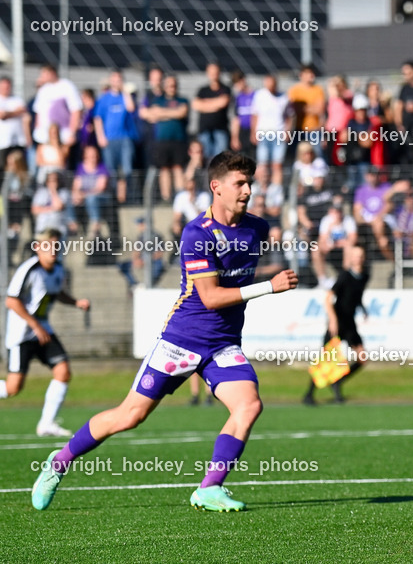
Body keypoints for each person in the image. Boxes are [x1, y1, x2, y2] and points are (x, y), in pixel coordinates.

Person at [30, 151, 299, 512]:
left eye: (250, 182)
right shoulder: (196, 234)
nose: (248, 189)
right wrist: (269, 286)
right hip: (181, 340)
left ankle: (209, 488)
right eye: (240, 183)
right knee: (130, 416)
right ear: (216, 187)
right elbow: (210, 296)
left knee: (249, 405)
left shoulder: (258, 229)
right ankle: (57, 463)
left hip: (222, 345)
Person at [2, 229, 90, 436]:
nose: (53, 250)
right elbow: (11, 300)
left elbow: (56, 293)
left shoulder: (58, 269)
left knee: (63, 371)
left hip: (42, 329)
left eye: (56, 246)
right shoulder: (28, 270)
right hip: (22, 333)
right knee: (13, 388)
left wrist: (76, 302)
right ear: (37, 247)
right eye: (48, 246)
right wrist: (35, 325)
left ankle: (46, 424)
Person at [304, 246, 370, 405]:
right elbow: (328, 298)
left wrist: (363, 308)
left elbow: (356, 296)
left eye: (361, 255)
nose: (358, 259)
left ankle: (337, 382)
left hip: (350, 324)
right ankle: (309, 394)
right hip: (338, 321)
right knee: (326, 359)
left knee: (362, 358)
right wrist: (332, 320)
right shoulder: (344, 276)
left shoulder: (364, 276)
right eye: (355, 256)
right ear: (351, 258)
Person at [93, 69, 138, 203]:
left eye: (119, 80)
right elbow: (98, 119)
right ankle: (113, 198)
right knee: (111, 171)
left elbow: (131, 108)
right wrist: (101, 137)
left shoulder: (125, 97)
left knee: (126, 170)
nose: (116, 82)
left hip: (125, 138)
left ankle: (125, 198)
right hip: (109, 139)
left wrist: (124, 91)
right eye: (114, 80)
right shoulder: (104, 99)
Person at [193, 63, 233, 159]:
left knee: (220, 159)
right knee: (205, 158)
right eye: (211, 72)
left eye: (215, 72)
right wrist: (215, 103)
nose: (213, 74)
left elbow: (223, 102)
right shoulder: (202, 90)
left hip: (221, 129)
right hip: (204, 129)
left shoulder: (225, 89)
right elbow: (196, 105)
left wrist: (205, 103)